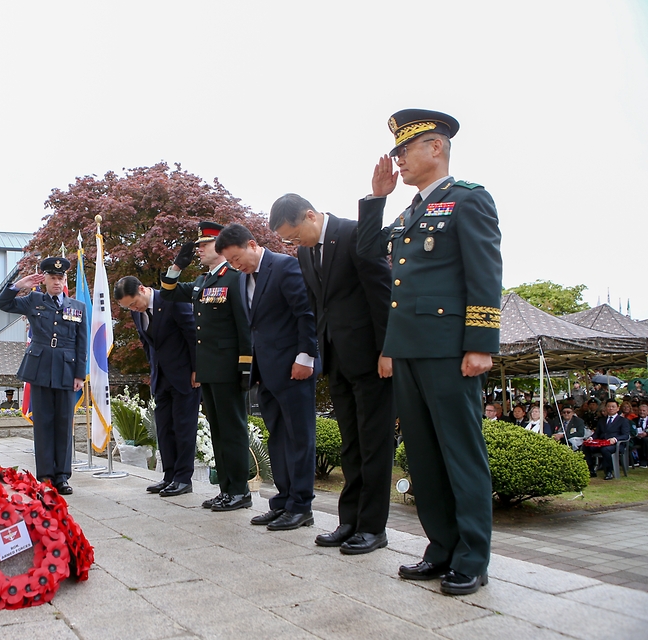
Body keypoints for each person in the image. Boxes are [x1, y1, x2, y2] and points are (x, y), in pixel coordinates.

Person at [357, 109, 502, 596]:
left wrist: (481, 343)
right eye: (395, 151)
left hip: (450, 350)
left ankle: (472, 557)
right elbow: (368, 254)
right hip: (409, 350)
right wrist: (375, 201)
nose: (397, 160)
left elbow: (484, 273)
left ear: (434, 148)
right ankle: (440, 548)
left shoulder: (469, 200)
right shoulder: (408, 211)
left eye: (404, 150)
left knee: (460, 454)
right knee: (422, 457)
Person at [268, 193, 394, 554]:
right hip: (337, 359)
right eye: (288, 241)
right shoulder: (307, 253)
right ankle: (349, 521)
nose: (294, 245)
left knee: (374, 444)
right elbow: (316, 306)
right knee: (350, 444)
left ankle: (373, 527)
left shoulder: (355, 234)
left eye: (294, 236)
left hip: (372, 358)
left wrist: (388, 349)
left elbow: (381, 293)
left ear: (310, 215)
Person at [215, 223, 319, 532]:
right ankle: (283, 501)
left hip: (294, 368)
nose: (236, 266)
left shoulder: (284, 266)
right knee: (278, 439)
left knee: (300, 438)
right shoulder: (244, 279)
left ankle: (302, 506)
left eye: (237, 258)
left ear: (251, 244)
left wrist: (306, 357)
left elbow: (306, 314)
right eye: (230, 262)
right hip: (267, 372)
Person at [160, 221, 254, 512]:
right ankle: (226, 489)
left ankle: (240, 490)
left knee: (233, 430)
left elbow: (244, 325)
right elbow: (168, 292)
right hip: (209, 369)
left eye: (204, 245)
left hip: (228, 367)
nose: (198, 250)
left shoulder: (235, 277)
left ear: (221, 247)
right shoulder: (203, 281)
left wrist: (245, 367)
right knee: (217, 431)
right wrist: (177, 266)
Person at [0, 257, 87, 495]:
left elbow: (81, 343)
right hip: (41, 367)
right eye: (53, 278)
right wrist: (18, 285)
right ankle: (45, 476)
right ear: (44, 279)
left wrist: (80, 375)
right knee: (43, 423)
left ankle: (62, 476)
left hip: (67, 369)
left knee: (64, 423)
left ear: (65, 280)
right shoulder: (33, 300)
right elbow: (1, 304)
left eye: (60, 278)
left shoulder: (77, 307)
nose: (57, 282)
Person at [113, 276, 200, 497]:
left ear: (142, 289)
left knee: (183, 429)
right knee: (164, 429)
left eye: (134, 303)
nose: (134, 308)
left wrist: (198, 369)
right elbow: (147, 343)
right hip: (160, 377)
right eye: (128, 307)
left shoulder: (172, 300)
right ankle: (169, 476)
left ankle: (183, 478)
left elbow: (193, 334)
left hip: (184, 375)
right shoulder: (136, 312)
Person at [584, 399, 630, 480]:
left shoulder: (623, 421)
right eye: (609, 406)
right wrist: (591, 438)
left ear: (618, 408)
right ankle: (591, 469)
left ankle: (609, 471)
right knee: (585, 446)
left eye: (613, 407)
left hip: (615, 445)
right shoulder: (602, 420)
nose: (611, 408)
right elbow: (597, 433)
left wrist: (615, 439)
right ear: (606, 408)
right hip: (601, 443)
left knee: (605, 450)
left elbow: (626, 435)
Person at [631, 402, 648, 467]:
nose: (642, 412)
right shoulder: (634, 420)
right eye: (640, 410)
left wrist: (646, 433)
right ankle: (631, 460)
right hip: (636, 437)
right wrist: (636, 434)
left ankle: (644, 460)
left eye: (644, 410)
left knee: (646, 440)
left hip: (646, 438)